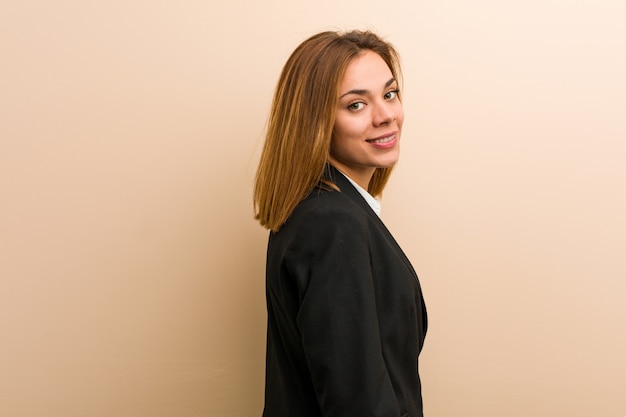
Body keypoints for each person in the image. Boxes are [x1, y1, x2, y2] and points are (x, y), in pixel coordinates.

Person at [254, 30, 428, 417]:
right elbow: (357, 402)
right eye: (355, 105)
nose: (385, 115)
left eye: (389, 93)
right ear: (315, 121)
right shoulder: (332, 223)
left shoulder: (328, 211)